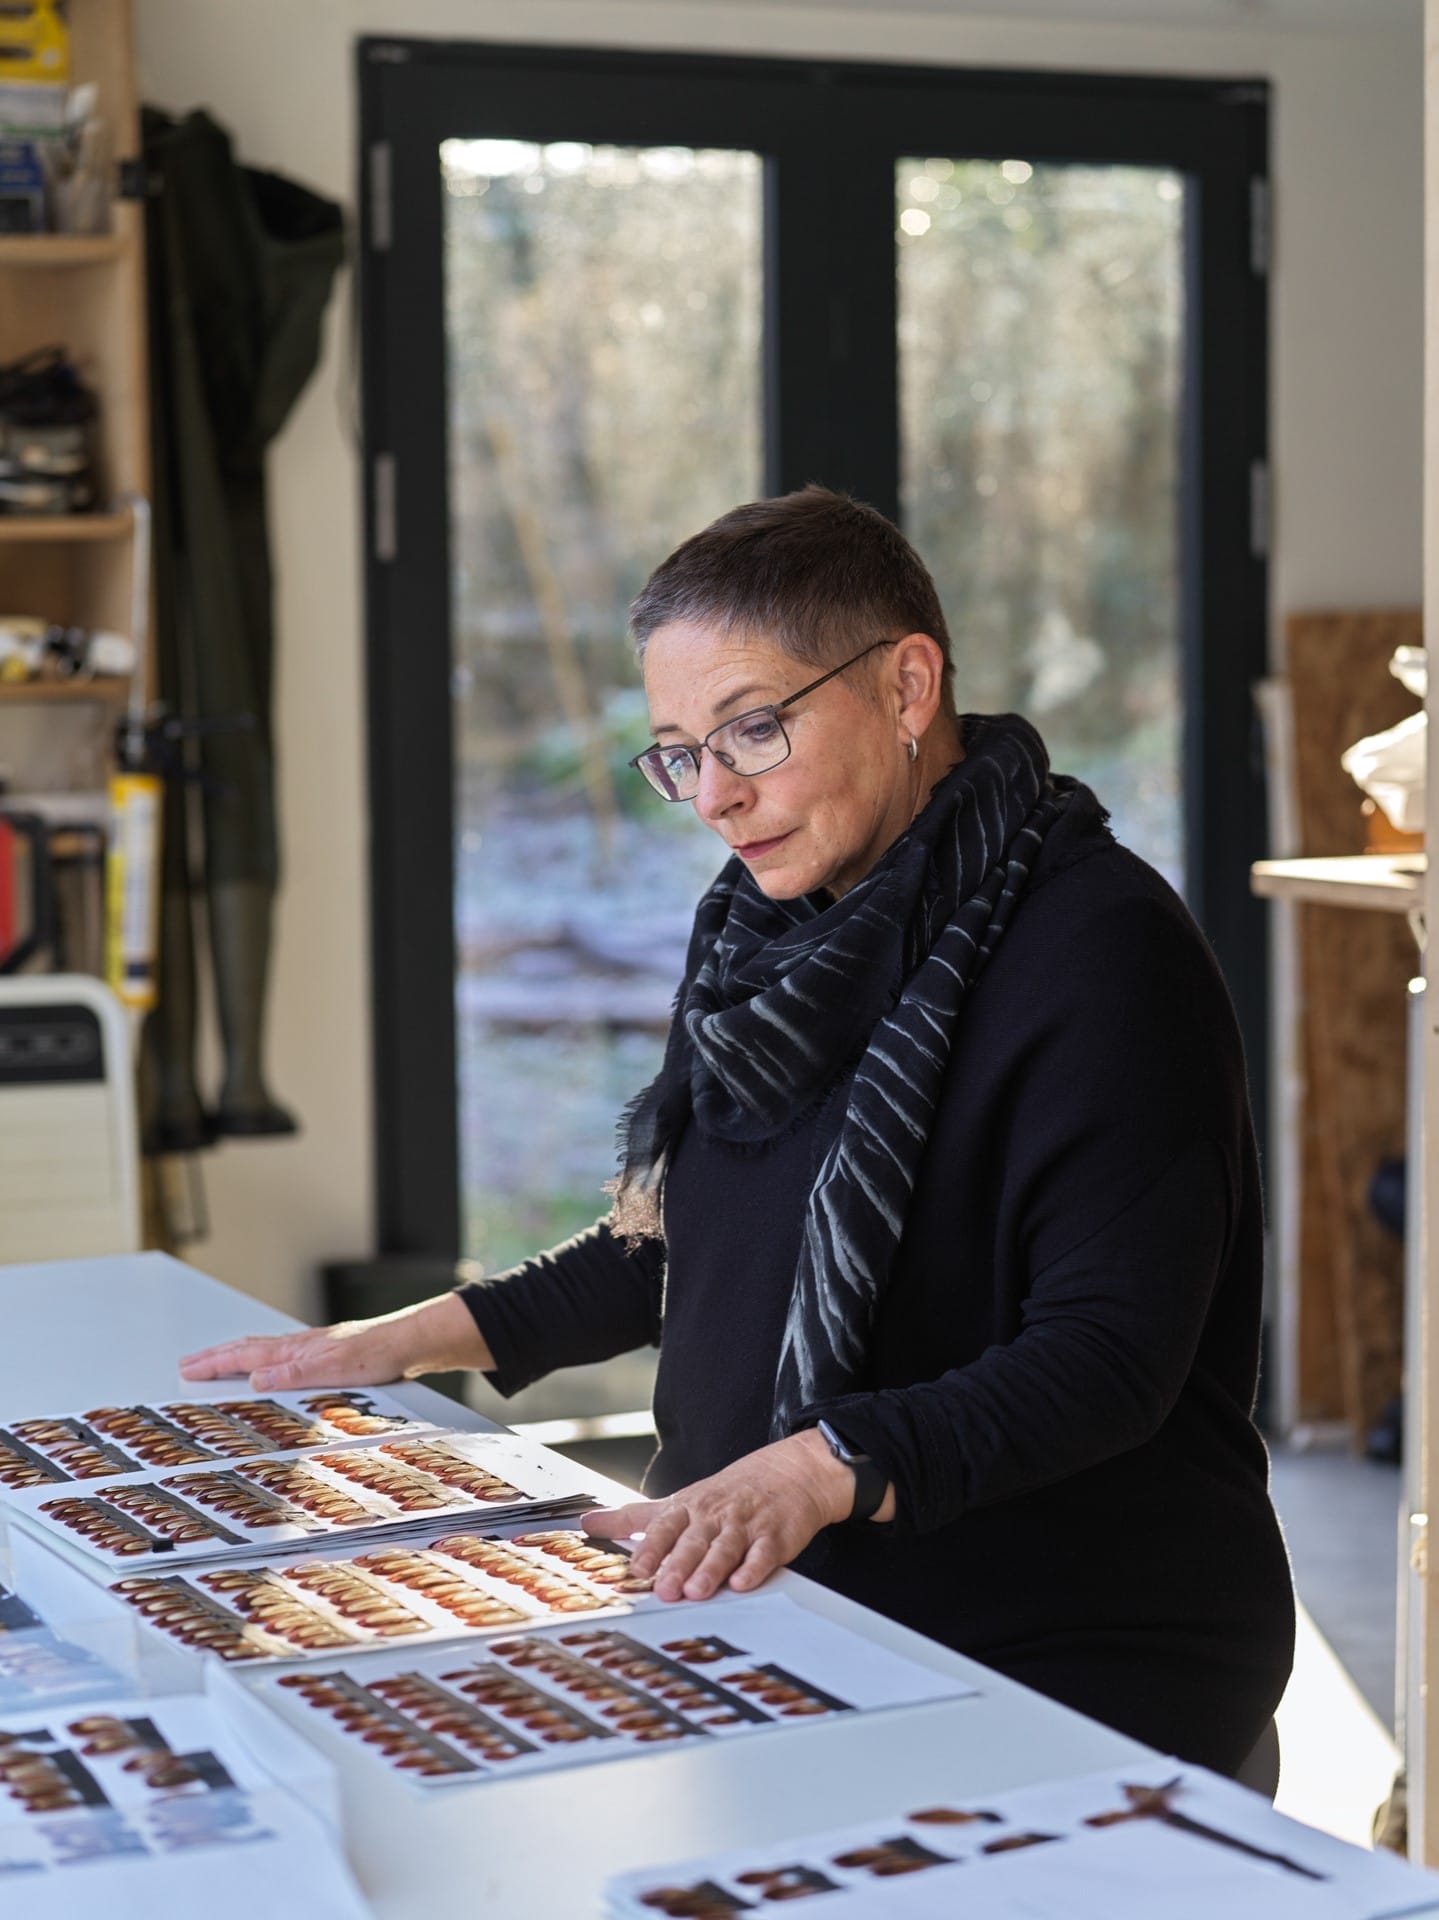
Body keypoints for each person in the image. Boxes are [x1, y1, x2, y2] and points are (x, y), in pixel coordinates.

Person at [181, 486, 1295, 1774]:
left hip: (1065, 1659)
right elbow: (669, 1245)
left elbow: (1108, 1357)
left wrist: (819, 1467)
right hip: (792, 1621)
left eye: (752, 732)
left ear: (908, 684)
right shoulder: (765, 944)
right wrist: (387, 1344)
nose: (713, 796)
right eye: (677, 753)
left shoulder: (1100, 949)